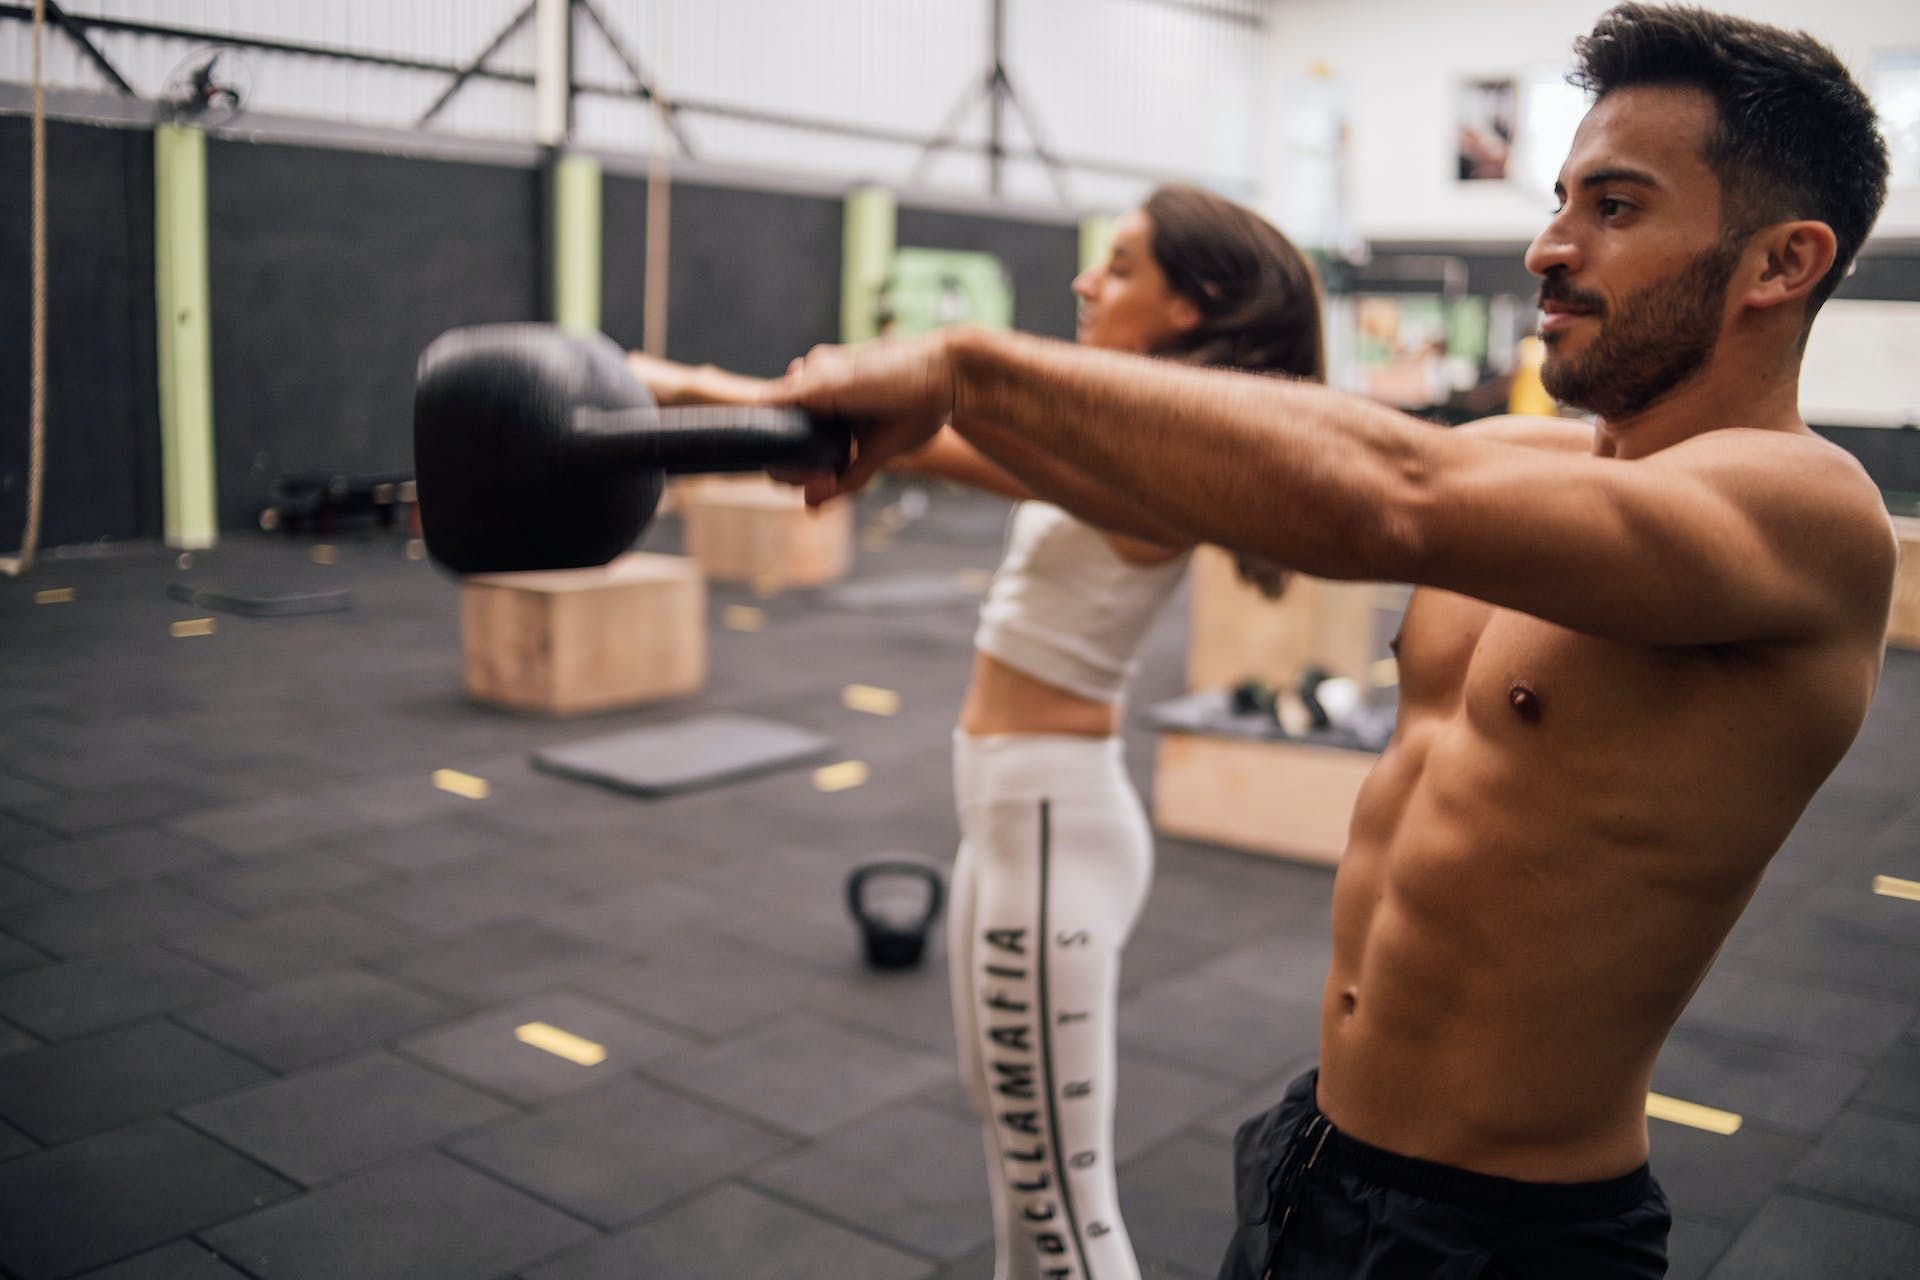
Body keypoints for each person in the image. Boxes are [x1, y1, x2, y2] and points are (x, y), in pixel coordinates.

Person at [767, 6, 1897, 1277]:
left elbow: (1385, 493)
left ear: (1782, 263)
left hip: (1505, 1235)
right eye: (1561, 198)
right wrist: (862, 423)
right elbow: (1192, 483)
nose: (1548, 246)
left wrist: (970, 365)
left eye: (1616, 209)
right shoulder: (1540, 459)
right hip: (1319, 1157)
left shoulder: (1807, 513)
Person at [628, 185, 1325, 1279]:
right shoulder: (1101, 442)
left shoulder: (1161, 463)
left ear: (1196, 305)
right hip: (1018, 824)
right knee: (1023, 1187)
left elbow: (969, 404)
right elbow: (906, 433)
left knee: (1062, 1220)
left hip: (1052, 832)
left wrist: (932, 373)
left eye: (1122, 266)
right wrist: (663, 384)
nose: (1086, 281)